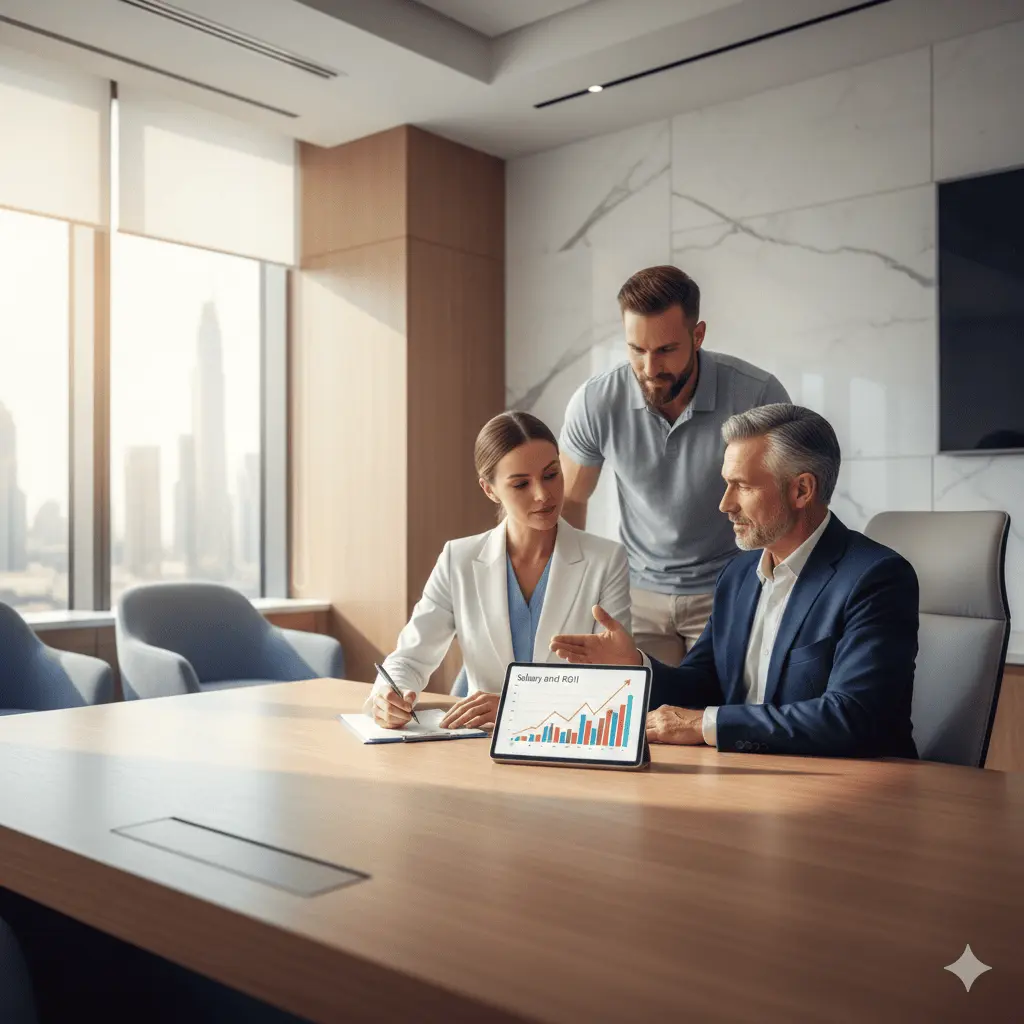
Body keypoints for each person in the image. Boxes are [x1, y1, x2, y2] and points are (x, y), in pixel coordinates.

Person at [550, 404, 919, 759]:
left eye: (741, 486)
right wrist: (635, 665)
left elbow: (853, 716)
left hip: (856, 790)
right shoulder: (738, 574)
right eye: (727, 485)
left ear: (802, 490)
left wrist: (706, 725)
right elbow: (705, 683)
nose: (725, 504)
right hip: (752, 775)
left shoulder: (876, 578)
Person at [559, 265, 791, 668]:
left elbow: (785, 505)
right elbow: (570, 499)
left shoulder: (758, 393)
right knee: (641, 718)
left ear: (697, 335)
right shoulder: (595, 401)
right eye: (636, 349)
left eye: (666, 350)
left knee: (716, 718)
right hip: (636, 593)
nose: (650, 369)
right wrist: (576, 594)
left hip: (731, 589)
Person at [367, 411, 631, 730]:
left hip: (569, 738)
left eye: (551, 475)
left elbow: (618, 682)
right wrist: (388, 695)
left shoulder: (606, 560)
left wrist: (516, 707)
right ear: (490, 490)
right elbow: (409, 658)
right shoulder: (458, 559)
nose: (543, 495)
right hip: (479, 745)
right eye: (521, 483)